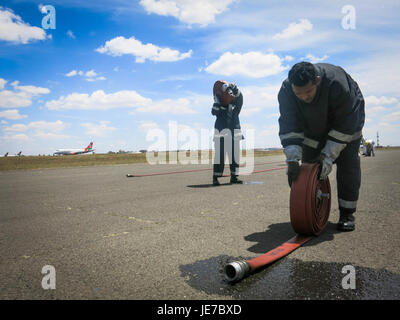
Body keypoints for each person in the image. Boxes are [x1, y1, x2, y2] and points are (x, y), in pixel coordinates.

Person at [278, 62, 365, 231]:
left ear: (317, 80)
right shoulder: (286, 91)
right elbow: (289, 125)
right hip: (313, 129)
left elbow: (345, 125)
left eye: (308, 92)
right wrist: (293, 158)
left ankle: (347, 213)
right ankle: (312, 206)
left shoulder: (338, 84)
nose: (303, 97)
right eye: (299, 93)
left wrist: (327, 156)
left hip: (346, 129)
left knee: (348, 167)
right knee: (305, 171)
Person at [212, 80, 243, 186]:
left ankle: (234, 177)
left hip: (234, 133)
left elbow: (240, 97)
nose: (229, 94)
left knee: (235, 156)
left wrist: (233, 87)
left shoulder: (235, 106)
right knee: (219, 157)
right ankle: (215, 178)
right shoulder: (219, 106)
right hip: (221, 134)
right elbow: (214, 112)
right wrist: (216, 100)